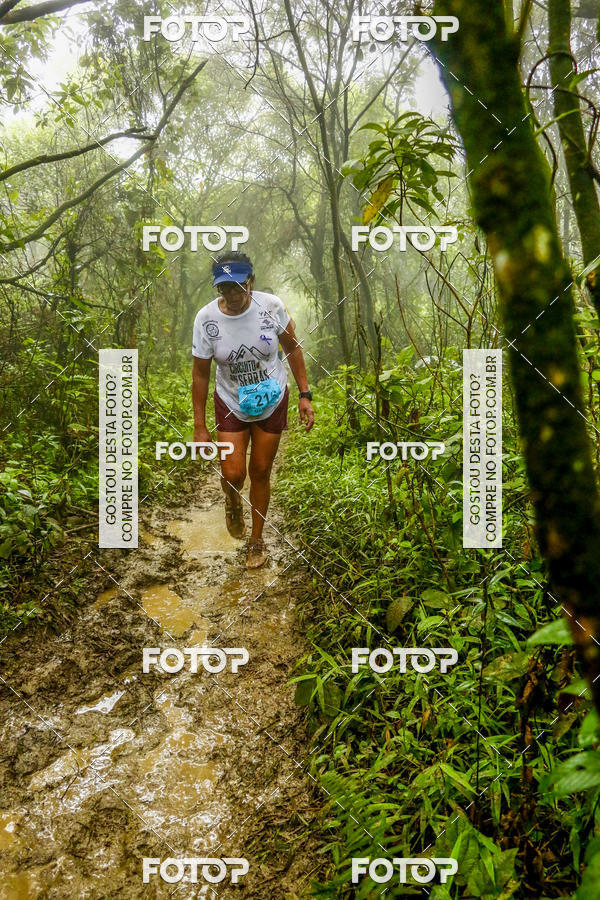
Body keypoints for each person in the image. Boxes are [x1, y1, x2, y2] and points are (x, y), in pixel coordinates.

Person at [192, 251, 314, 568]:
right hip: (231, 401)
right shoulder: (206, 319)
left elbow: (292, 348)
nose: (232, 295)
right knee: (233, 473)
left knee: (260, 471)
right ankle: (233, 500)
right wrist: (199, 426)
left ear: (251, 281)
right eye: (224, 288)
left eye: (238, 286)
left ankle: (256, 541)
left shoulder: (271, 307)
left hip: (271, 398)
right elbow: (200, 373)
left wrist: (305, 394)